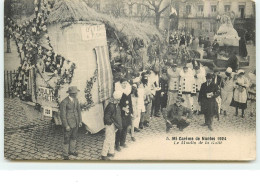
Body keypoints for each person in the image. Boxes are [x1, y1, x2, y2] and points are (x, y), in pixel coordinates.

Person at [60, 86, 82, 160]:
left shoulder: (76, 100)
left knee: (74, 137)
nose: (76, 94)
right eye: (75, 93)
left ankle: (72, 151)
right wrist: (66, 125)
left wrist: (80, 121)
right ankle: (65, 154)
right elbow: (62, 115)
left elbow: (79, 111)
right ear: (71, 94)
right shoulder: (64, 102)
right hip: (68, 124)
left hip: (75, 123)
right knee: (66, 138)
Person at [101, 91, 123, 160]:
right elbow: (106, 117)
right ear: (116, 99)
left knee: (112, 138)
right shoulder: (111, 106)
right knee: (108, 139)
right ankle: (103, 154)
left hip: (114, 125)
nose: (119, 101)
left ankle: (111, 151)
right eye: (119, 99)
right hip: (110, 125)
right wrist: (112, 122)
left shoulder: (115, 105)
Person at [115, 78, 133, 151]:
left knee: (125, 127)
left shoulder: (128, 91)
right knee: (120, 128)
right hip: (121, 112)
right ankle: (117, 144)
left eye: (125, 83)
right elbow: (117, 103)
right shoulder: (118, 92)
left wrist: (131, 111)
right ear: (120, 84)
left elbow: (130, 102)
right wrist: (122, 108)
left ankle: (123, 142)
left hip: (127, 111)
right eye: (123, 83)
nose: (124, 85)